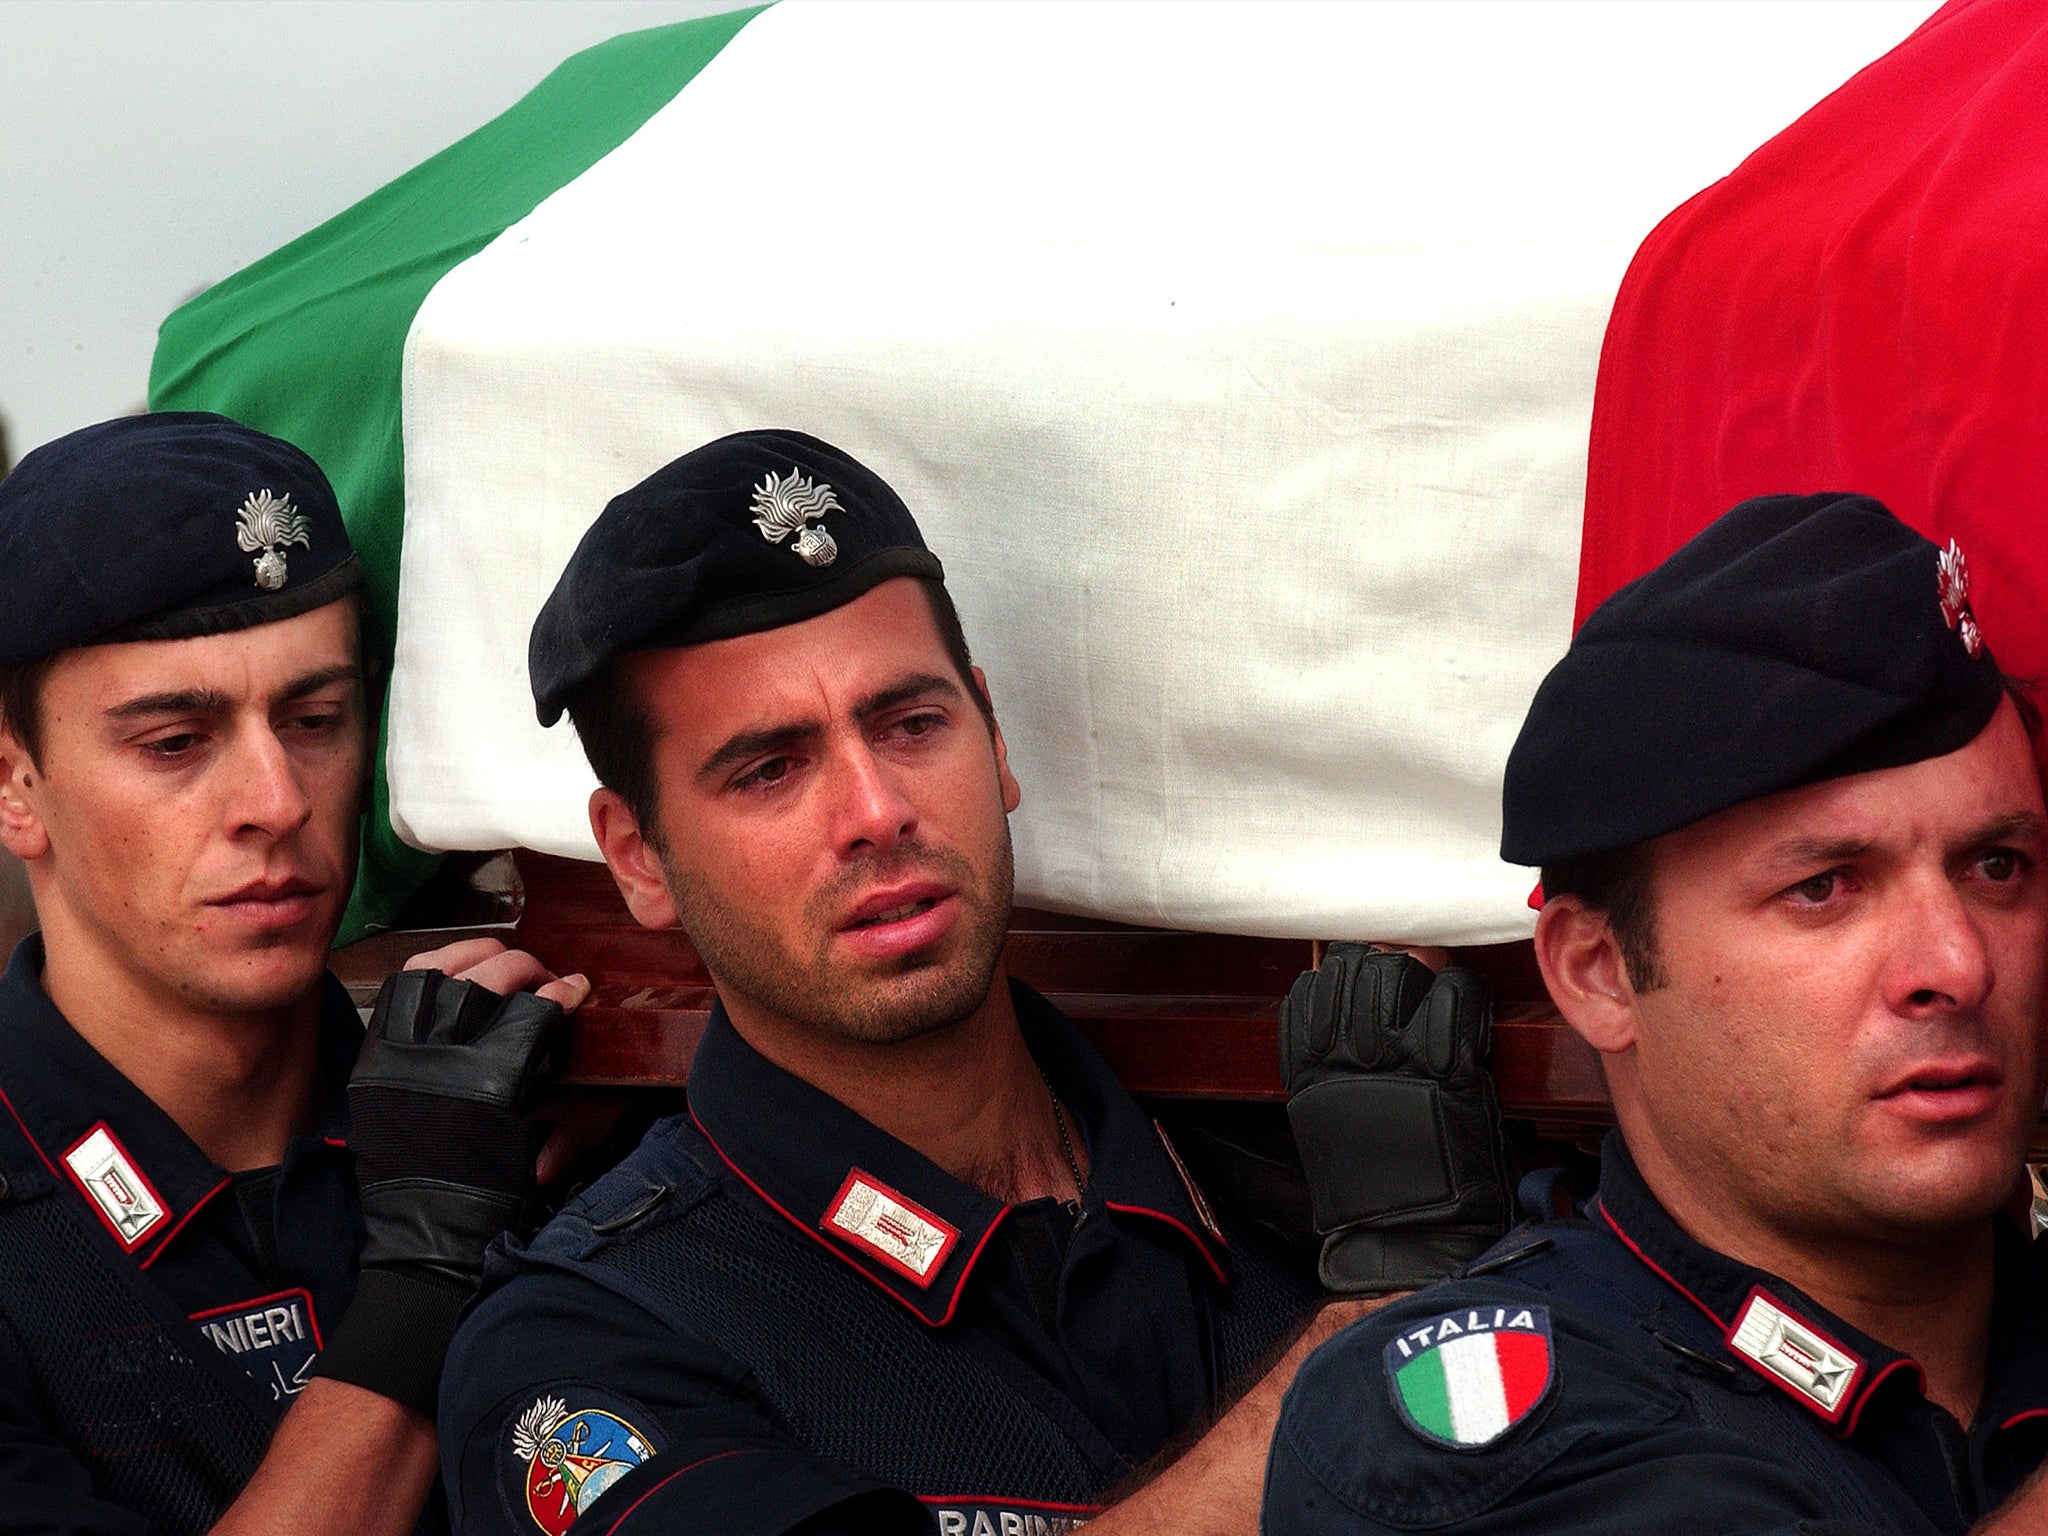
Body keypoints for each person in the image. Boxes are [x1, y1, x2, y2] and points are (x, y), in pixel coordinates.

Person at [437, 429, 1512, 1536]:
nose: (873, 811)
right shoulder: (586, 1348)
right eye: (770, 769)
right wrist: (1392, 1334)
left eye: (911, 725)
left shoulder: (1300, 1187)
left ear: (994, 741)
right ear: (636, 856)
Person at [1264, 492, 2048, 1535]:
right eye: (1822, 887)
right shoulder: (1460, 1429)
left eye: (1996, 866)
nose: (1954, 965)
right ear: (1598, 973)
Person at [0, 413, 582, 1536]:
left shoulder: (495, 1123)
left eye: (315, 718)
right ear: (16, 784)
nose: (276, 799)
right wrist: (426, 1274)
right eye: (174, 743)